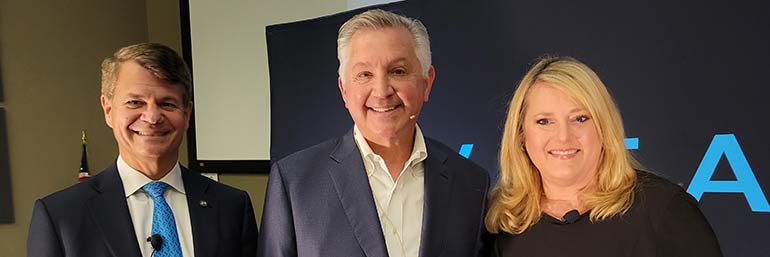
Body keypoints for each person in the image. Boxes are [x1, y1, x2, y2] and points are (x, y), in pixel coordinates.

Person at [257, 9, 490, 257]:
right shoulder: (294, 181)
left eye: (398, 71)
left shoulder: (470, 183)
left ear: (426, 82)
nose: (381, 91)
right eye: (365, 75)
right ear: (344, 89)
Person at [27, 43, 258, 257]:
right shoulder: (60, 216)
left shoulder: (232, 206)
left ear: (186, 115)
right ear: (108, 110)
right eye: (135, 103)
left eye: (167, 103)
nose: (152, 117)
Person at [485, 56, 723, 257]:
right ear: (521, 135)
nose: (563, 137)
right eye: (544, 121)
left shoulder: (663, 209)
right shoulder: (499, 221)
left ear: (604, 127)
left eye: (580, 118)